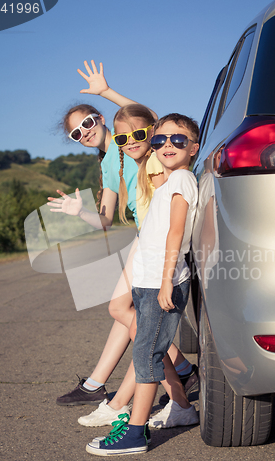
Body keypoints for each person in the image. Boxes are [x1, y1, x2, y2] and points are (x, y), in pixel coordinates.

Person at [48, 61, 198, 414]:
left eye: (86, 123)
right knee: (126, 313)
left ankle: (174, 376)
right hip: (145, 237)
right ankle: (113, 386)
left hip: (157, 237)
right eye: (75, 133)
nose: (84, 132)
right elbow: (103, 220)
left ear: (99, 117)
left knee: (122, 309)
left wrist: (107, 92)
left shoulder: (145, 147)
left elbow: (151, 122)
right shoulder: (107, 164)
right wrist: (78, 212)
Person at [86, 112, 200, 456]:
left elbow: (176, 235)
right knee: (146, 353)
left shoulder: (181, 180)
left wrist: (166, 282)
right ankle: (176, 410)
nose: (168, 145)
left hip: (160, 283)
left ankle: (136, 433)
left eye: (178, 140)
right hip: (149, 281)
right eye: (161, 139)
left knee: (147, 357)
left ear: (193, 148)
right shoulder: (169, 181)